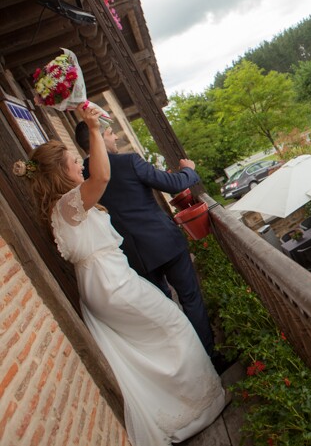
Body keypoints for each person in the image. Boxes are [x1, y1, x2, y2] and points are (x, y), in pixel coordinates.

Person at [23, 107, 225, 445]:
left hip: (109, 279)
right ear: (60, 171)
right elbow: (101, 177)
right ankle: (195, 405)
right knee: (173, 322)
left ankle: (177, 401)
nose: (80, 166)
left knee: (149, 344)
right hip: (112, 283)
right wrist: (92, 125)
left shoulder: (61, 206)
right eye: (74, 163)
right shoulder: (71, 203)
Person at [75, 121, 216, 356]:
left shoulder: (83, 178)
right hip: (165, 243)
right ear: (97, 138)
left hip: (133, 255)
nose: (116, 138)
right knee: (190, 298)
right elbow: (174, 184)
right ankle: (210, 356)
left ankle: (188, 359)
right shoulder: (129, 162)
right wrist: (188, 169)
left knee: (164, 310)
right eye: (110, 133)